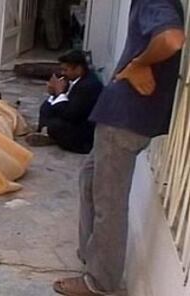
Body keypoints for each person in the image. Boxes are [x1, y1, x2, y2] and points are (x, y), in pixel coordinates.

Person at [53, 0, 185, 295]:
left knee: (108, 202)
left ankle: (100, 281)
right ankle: (93, 256)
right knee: (89, 180)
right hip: (117, 116)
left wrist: (140, 64)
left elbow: (172, 38)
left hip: (126, 122)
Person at [25, 50, 103, 154]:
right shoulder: (73, 80)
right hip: (72, 118)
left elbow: (71, 114)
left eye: (66, 70)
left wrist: (60, 93)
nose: (63, 73)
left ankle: (50, 133)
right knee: (45, 108)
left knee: (55, 125)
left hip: (83, 132)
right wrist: (54, 94)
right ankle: (47, 132)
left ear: (78, 69)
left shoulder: (88, 86)